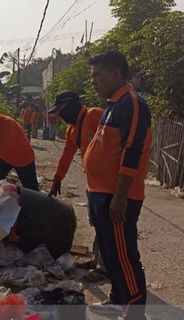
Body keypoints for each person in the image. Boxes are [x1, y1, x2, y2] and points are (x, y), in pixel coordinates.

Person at [84, 51, 151, 320]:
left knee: (124, 255)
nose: (93, 81)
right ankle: (118, 299)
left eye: (97, 75)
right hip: (102, 193)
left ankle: (135, 311)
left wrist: (120, 196)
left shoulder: (132, 103)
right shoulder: (112, 103)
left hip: (119, 196)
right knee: (110, 254)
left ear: (115, 73)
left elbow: (132, 151)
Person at [48, 91, 104, 197]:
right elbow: (66, 156)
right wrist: (58, 178)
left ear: (71, 107)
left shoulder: (94, 115)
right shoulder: (71, 130)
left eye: (61, 111)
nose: (60, 115)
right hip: (92, 182)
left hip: (111, 183)